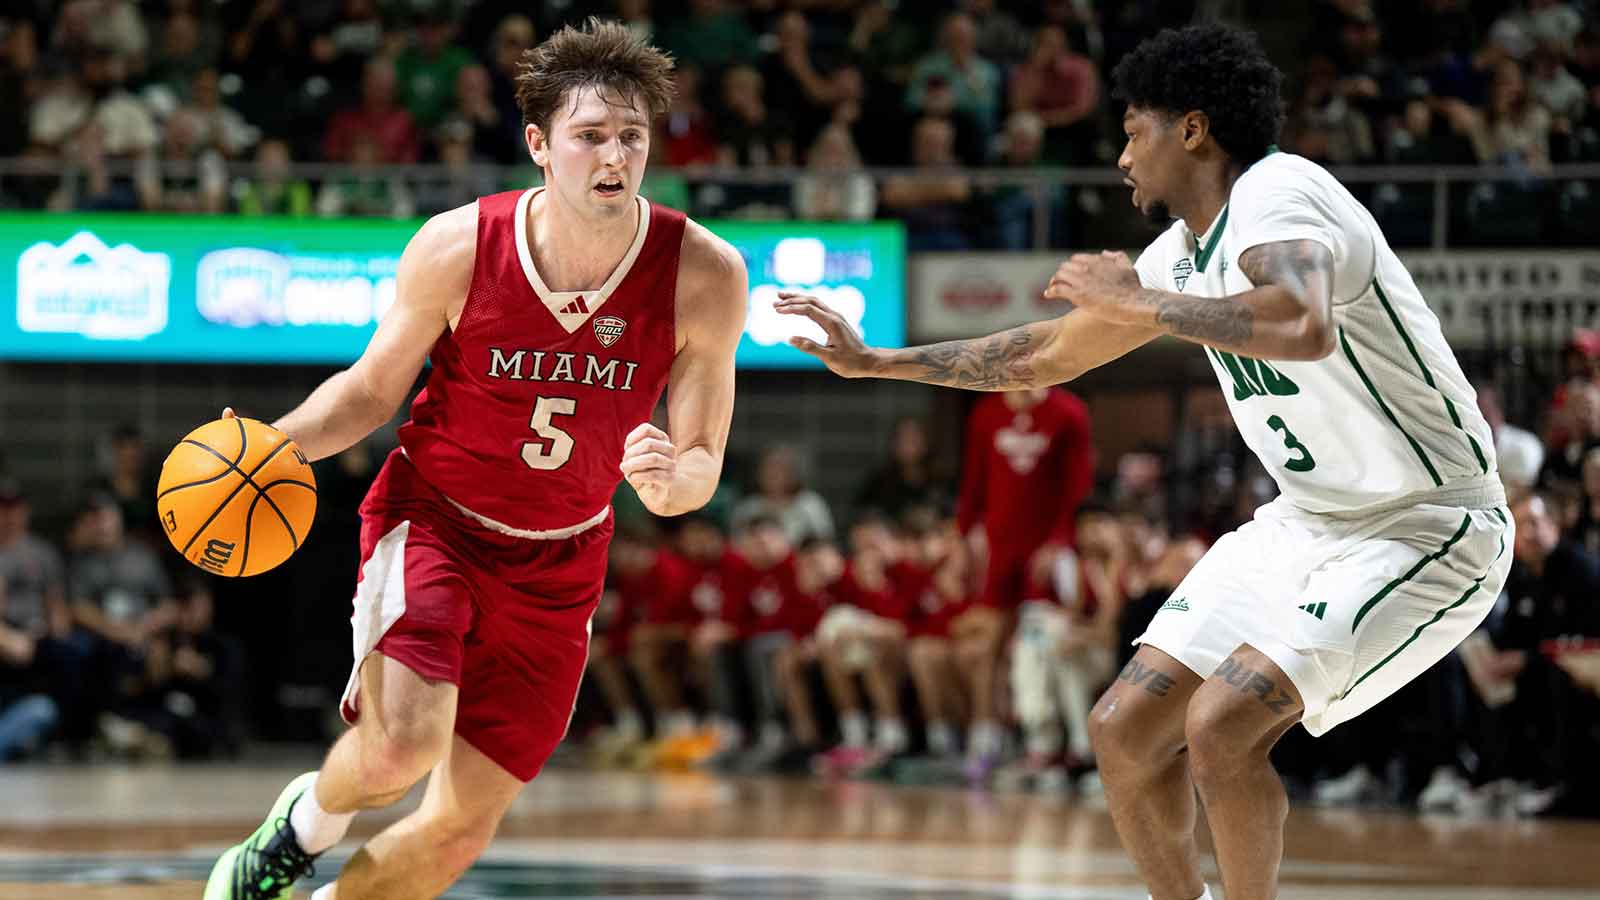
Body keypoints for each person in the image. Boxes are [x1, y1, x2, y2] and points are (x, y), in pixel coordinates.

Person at [779, 23, 1511, 900]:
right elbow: (1044, 356)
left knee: (1223, 725)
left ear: (1192, 130)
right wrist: (881, 361)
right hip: (1304, 521)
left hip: (1430, 523)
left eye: (1133, 132)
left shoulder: (1280, 191)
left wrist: (1145, 303)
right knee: (1123, 730)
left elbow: (1300, 324)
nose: (1122, 156)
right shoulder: (1181, 254)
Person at [205, 19, 747, 900]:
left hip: (565, 554)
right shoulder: (459, 244)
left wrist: (674, 481)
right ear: (539, 145)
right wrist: (274, 445)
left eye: (632, 136)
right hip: (437, 520)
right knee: (400, 748)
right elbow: (372, 391)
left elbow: (701, 460)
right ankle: (298, 832)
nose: (614, 155)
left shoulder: (705, 274)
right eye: (590, 136)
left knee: (459, 828)